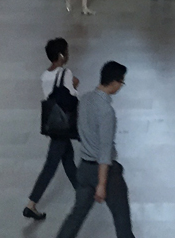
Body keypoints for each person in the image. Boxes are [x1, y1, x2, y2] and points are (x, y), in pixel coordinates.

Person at [54, 60, 133, 238]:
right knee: (122, 220)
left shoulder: (86, 99)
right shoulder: (106, 112)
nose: (121, 86)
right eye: (121, 82)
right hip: (106, 173)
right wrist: (102, 185)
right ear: (114, 83)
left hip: (84, 169)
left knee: (76, 216)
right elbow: (104, 152)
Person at [25, 38, 80, 221]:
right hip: (64, 125)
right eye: (67, 51)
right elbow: (71, 97)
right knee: (50, 166)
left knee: (69, 160)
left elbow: (51, 96)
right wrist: (75, 84)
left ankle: (82, 193)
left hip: (54, 124)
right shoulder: (65, 74)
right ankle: (31, 203)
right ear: (61, 55)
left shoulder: (44, 76)